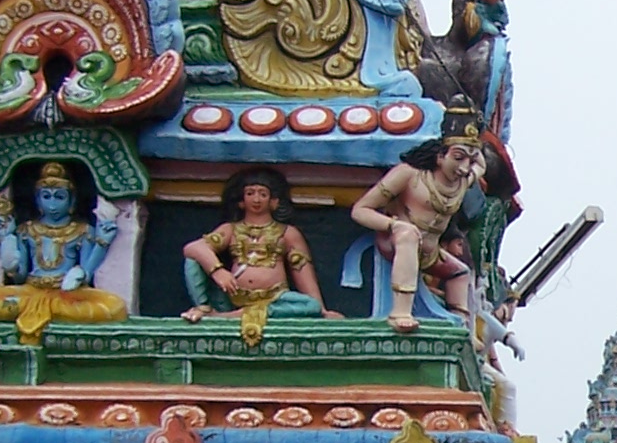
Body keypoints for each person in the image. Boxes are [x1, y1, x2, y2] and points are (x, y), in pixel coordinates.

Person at [349, 108, 486, 333]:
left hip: (429, 253)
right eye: (458, 157)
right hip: (396, 242)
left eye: (469, 161)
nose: (463, 168)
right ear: (440, 156)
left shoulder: (462, 181)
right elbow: (360, 210)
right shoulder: (409, 175)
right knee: (409, 235)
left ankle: (462, 327)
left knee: (460, 272)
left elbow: (481, 166)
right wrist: (395, 225)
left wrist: (474, 127)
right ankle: (400, 312)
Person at [0, 160, 124, 341]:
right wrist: (7, 241)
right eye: (46, 197)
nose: (52, 205)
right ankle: (45, 310)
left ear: (71, 200)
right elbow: (19, 276)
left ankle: (48, 310)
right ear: (37, 200)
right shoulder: (27, 230)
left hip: (67, 295)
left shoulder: (83, 230)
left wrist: (101, 244)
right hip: (30, 291)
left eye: (59, 197)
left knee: (114, 306)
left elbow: (86, 273)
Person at [181, 166, 340, 346]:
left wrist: (322, 311)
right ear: (241, 201)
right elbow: (193, 248)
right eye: (250, 193)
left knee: (311, 307)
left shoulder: (287, 233)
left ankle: (227, 317)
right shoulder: (231, 229)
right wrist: (218, 271)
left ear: (274, 201)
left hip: (275, 299)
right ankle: (203, 307)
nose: (256, 199)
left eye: (262, 194)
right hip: (234, 296)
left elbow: (302, 271)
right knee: (194, 259)